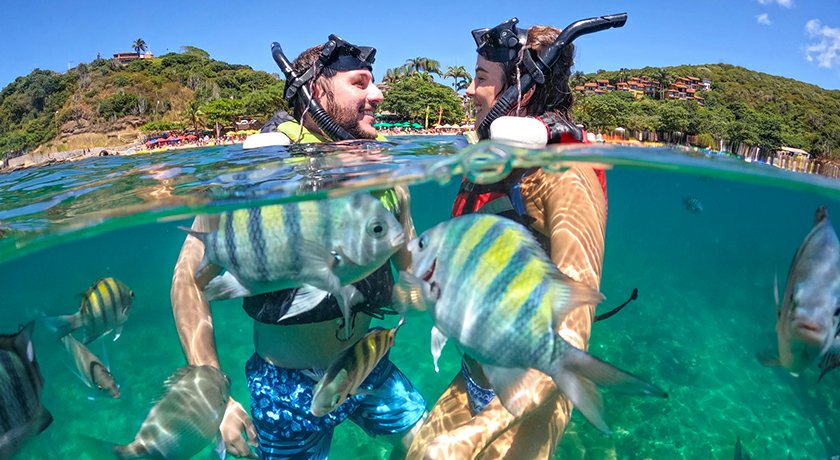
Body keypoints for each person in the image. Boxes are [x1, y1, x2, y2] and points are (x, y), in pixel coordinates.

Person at [172, 35, 426, 460]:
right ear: (314, 91)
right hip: (284, 384)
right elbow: (187, 279)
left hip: (367, 363)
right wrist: (212, 392)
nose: (378, 95)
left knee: (434, 450)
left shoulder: (385, 175)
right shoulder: (258, 173)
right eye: (360, 83)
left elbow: (414, 267)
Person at [407, 15, 625, 459]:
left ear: (518, 88)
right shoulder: (499, 166)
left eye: (480, 78)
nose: (469, 91)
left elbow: (572, 336)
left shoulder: (566, 174)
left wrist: (474, 434)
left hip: (533, 394)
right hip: (476, 375)